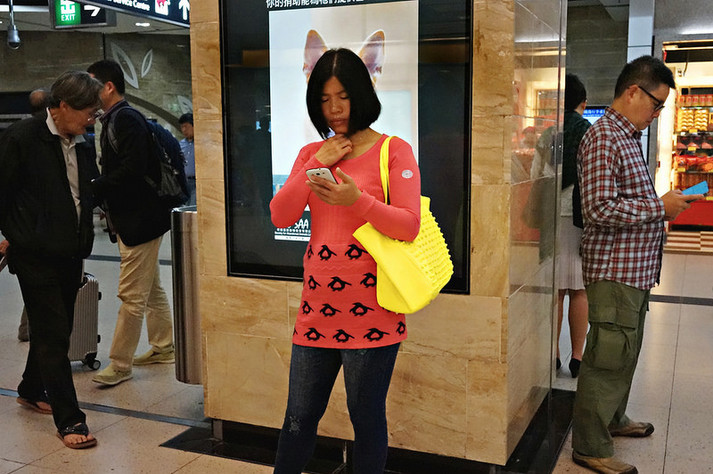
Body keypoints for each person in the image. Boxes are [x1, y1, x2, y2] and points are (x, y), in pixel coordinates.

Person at [269, 48, 421, 473]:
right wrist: (317, 162)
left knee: (366, 418)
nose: (334, 109)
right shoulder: (311, 154)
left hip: (373, 311)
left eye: (343, 96)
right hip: (316, 310)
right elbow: (281, 215)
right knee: (298, 417)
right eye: (324, 99)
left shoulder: (394, 150)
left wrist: (358, 200)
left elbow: (409, 225)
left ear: (362, 94)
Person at [572, 56, 703, 474]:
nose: (657, 113)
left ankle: (612, 419)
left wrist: (663, 206)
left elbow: (625, 201)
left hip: (633, 271)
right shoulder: (603, 138)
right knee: (607, 357)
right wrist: (658, 207)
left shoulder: (627, 137)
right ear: (633, 91)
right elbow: (598, 209)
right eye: (656, 103)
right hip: (614, 271)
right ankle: (589, 445)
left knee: (625, 352)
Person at [0, 70, 102, 449]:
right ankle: (70, 420)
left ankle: (30, 387)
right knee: (54, 333)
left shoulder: (83, 142)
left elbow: (85, 191)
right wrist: (15, 235)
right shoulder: (22, 138)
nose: (92, 120)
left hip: (70, 251)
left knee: (55, 329)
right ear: (61, 106)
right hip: (34, 254)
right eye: (87, 112)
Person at [87, 59, 175, 387]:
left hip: (141, 219)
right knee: (150, 288)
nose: (88, 92)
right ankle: (164, 346)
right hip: (135, 218)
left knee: (131, 294)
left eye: (92, 84)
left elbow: (132, 170)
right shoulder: (115, 119)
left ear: (109, 87)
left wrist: (96, 187)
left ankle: (120, 363)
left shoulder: (125, 119)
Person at [556, 73, 591, 378]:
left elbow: (537, 172)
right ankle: (577, 356)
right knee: (579, 289)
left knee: (555, 290)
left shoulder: (548, 132)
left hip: (551, 217)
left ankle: (552, 353)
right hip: (579, 217)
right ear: (583, 102)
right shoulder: (588, 131)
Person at [178, 113, 196, 205]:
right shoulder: (180, 144)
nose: (184, 130)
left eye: (186, 126)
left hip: (196, 182)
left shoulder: (200, 143)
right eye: (182, 127)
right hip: (184, 182)